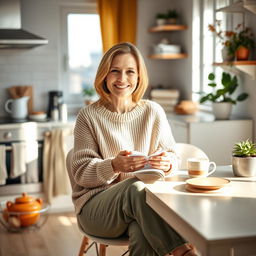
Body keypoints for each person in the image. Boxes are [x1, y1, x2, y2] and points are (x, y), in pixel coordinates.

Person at [69, 42, 197, 256]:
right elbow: (81, 174)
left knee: (142, 231)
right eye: (115, 71)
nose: (122, 79)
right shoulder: (88, 116)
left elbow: (174, 157)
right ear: (104, 75)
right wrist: (113, 165)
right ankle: (183, 252)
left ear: (139, 77)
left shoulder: (153, 111)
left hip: (143, 206)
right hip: (96, 209)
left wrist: (167, 164)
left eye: (130, 72)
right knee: (136, 188)